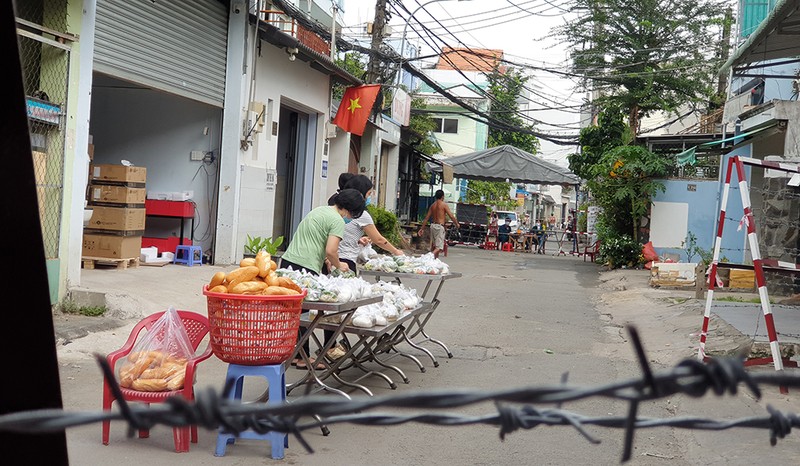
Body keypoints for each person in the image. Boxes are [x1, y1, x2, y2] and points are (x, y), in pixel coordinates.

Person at [280, 188, 365, 369]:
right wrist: (338, 264)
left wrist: (326, 259)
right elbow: (331, 250)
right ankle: (304, 358)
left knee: (294, 312)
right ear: (352, 210)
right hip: (305, 267)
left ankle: (296, 354)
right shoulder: (337, 221)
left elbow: (314, 239)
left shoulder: (319, 210)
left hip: (288, 263)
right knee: (306, 312)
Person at [418, 189, 459, 259]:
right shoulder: (444, 205)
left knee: (434, 246)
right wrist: (456, 224)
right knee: (439, 248)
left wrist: (422, 228)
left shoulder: (432, 205)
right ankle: (428, 257)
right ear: (442, 196)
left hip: (433, 226)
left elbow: (426, 218)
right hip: (439, 227)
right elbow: (451, 216)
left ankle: (434, 261)